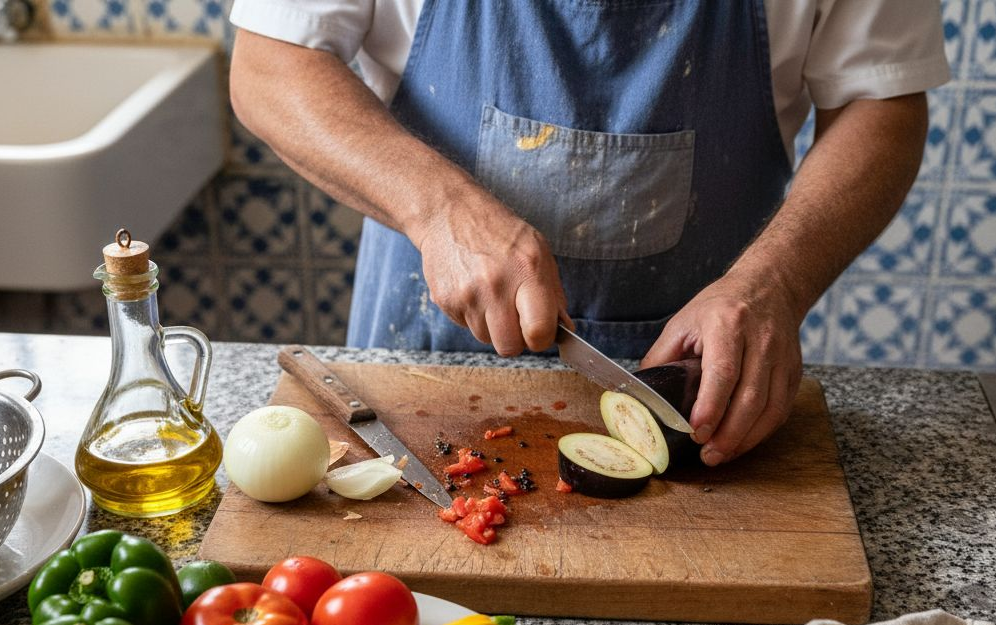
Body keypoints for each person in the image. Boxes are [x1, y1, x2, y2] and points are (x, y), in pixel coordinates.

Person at [228, 1, 948, 466]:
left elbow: (880, 103)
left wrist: (775, 285)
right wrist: (440, 208)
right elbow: (270, 64)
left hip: (704, 385)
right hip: (417, 361)